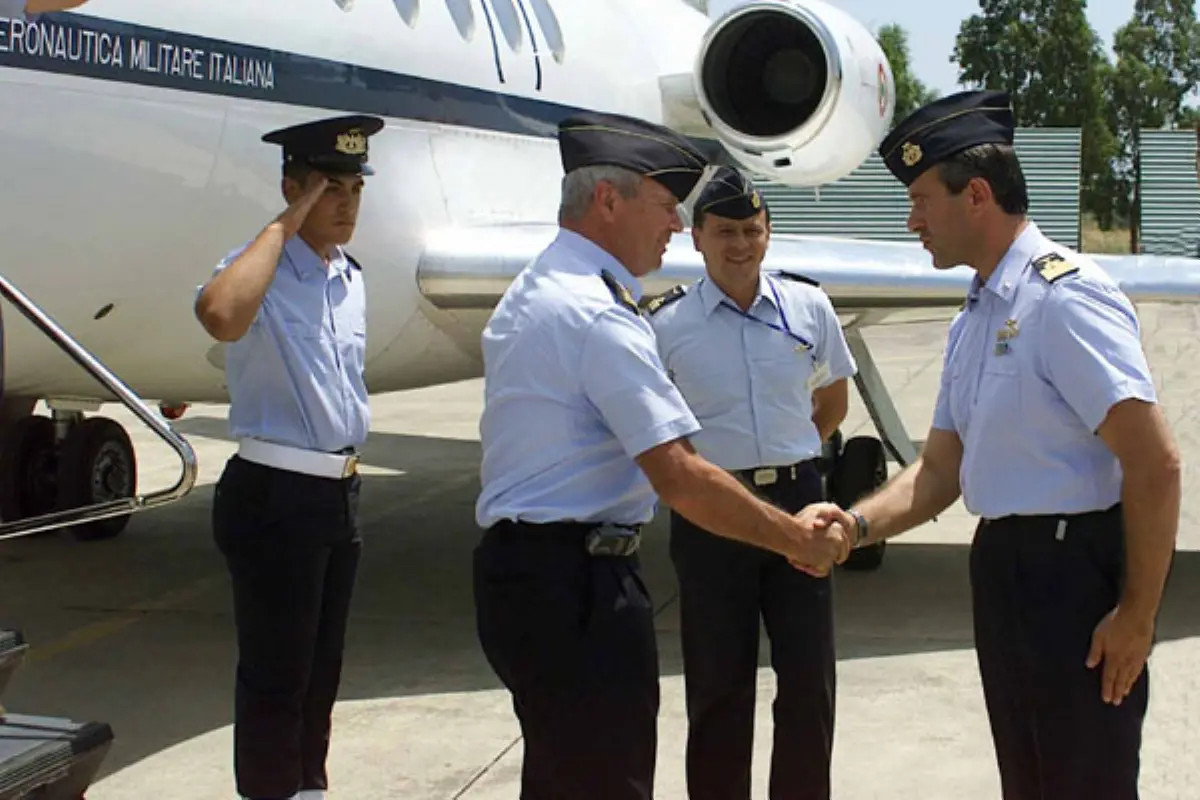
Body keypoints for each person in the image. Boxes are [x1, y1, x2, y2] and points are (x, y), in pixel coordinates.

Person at [472, 110, 855, 800]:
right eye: (665, 205)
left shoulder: (540, 291)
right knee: (612, 770)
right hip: (575, 584)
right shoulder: (600, 314)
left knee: (565, 774)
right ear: (609, 201)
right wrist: (795, 535)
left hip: (537, 576)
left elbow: (830, 402)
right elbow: (678, 473)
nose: (675, 225)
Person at [830, 90, 1182, 800]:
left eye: (923, 199)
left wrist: (1138, 615)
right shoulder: (977, 314)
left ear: (978, 195)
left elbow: (1155, 463)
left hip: (1072, 578)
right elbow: (938, 469)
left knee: (1086, 782)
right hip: (1005, 573)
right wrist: (856, 526)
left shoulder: (1063, 300)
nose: (912, 220)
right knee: (1030, 780)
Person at [644, 166, 857, 800]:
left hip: (801, 502)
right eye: (726, 231)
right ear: (696, 237)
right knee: (718, 685)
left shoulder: (808, 306)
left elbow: (833, 403)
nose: (741, 244)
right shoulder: (666, 325)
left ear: (769, 234)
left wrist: (788, 458)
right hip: (714, 515)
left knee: (808, 683)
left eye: (753, 231)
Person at [194, 113, 383, 800]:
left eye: (355, 189)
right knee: (275, 675)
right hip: (273, 493)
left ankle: (309, 787)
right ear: (294, 188)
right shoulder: (259, 271)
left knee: (320, 670)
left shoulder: (348, 277)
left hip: (337, 493)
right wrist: (286, 220)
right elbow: (220, 315)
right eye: (330, 189)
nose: (347, 204)